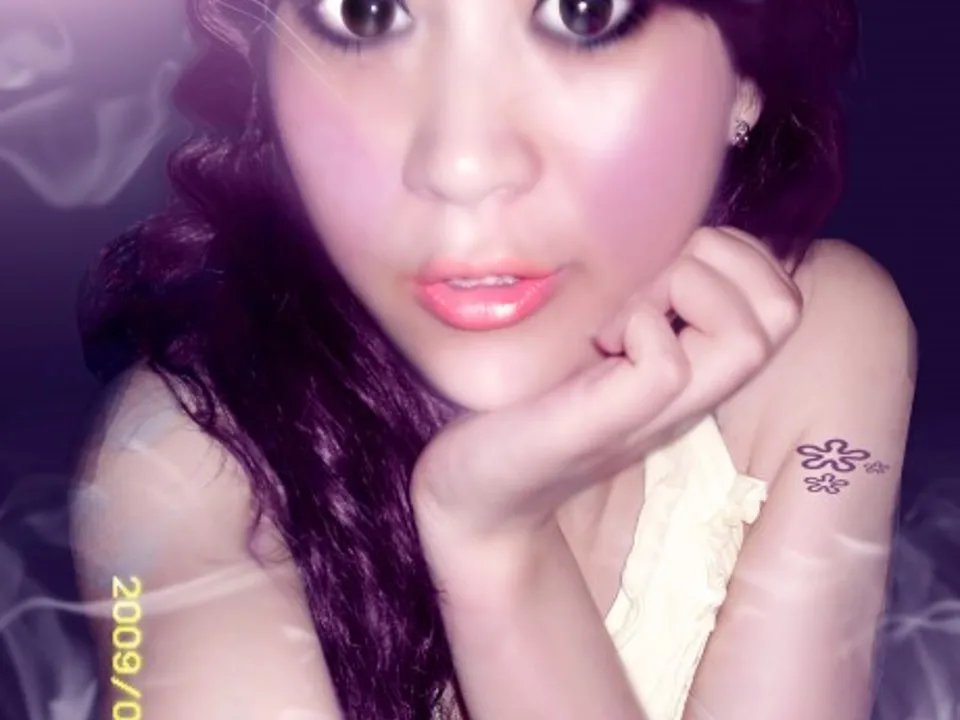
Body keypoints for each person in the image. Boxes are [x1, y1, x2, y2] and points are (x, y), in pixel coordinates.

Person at [69, 0, 917, 718]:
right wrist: (497, 547)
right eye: (368, 14)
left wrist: (501, 555)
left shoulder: (820, 339)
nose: (461, 165)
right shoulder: (172, 472)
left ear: (749, 73)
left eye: (584, 14)